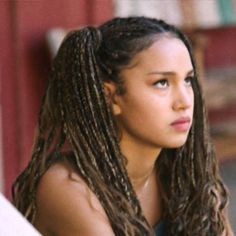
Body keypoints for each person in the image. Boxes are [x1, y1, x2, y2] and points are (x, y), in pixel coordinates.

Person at [12, 17, 234, 236]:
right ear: (111, 96)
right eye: (162, 83)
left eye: (188, 80)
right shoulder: (68, 188)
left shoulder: (186, 174)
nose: (185, 101)